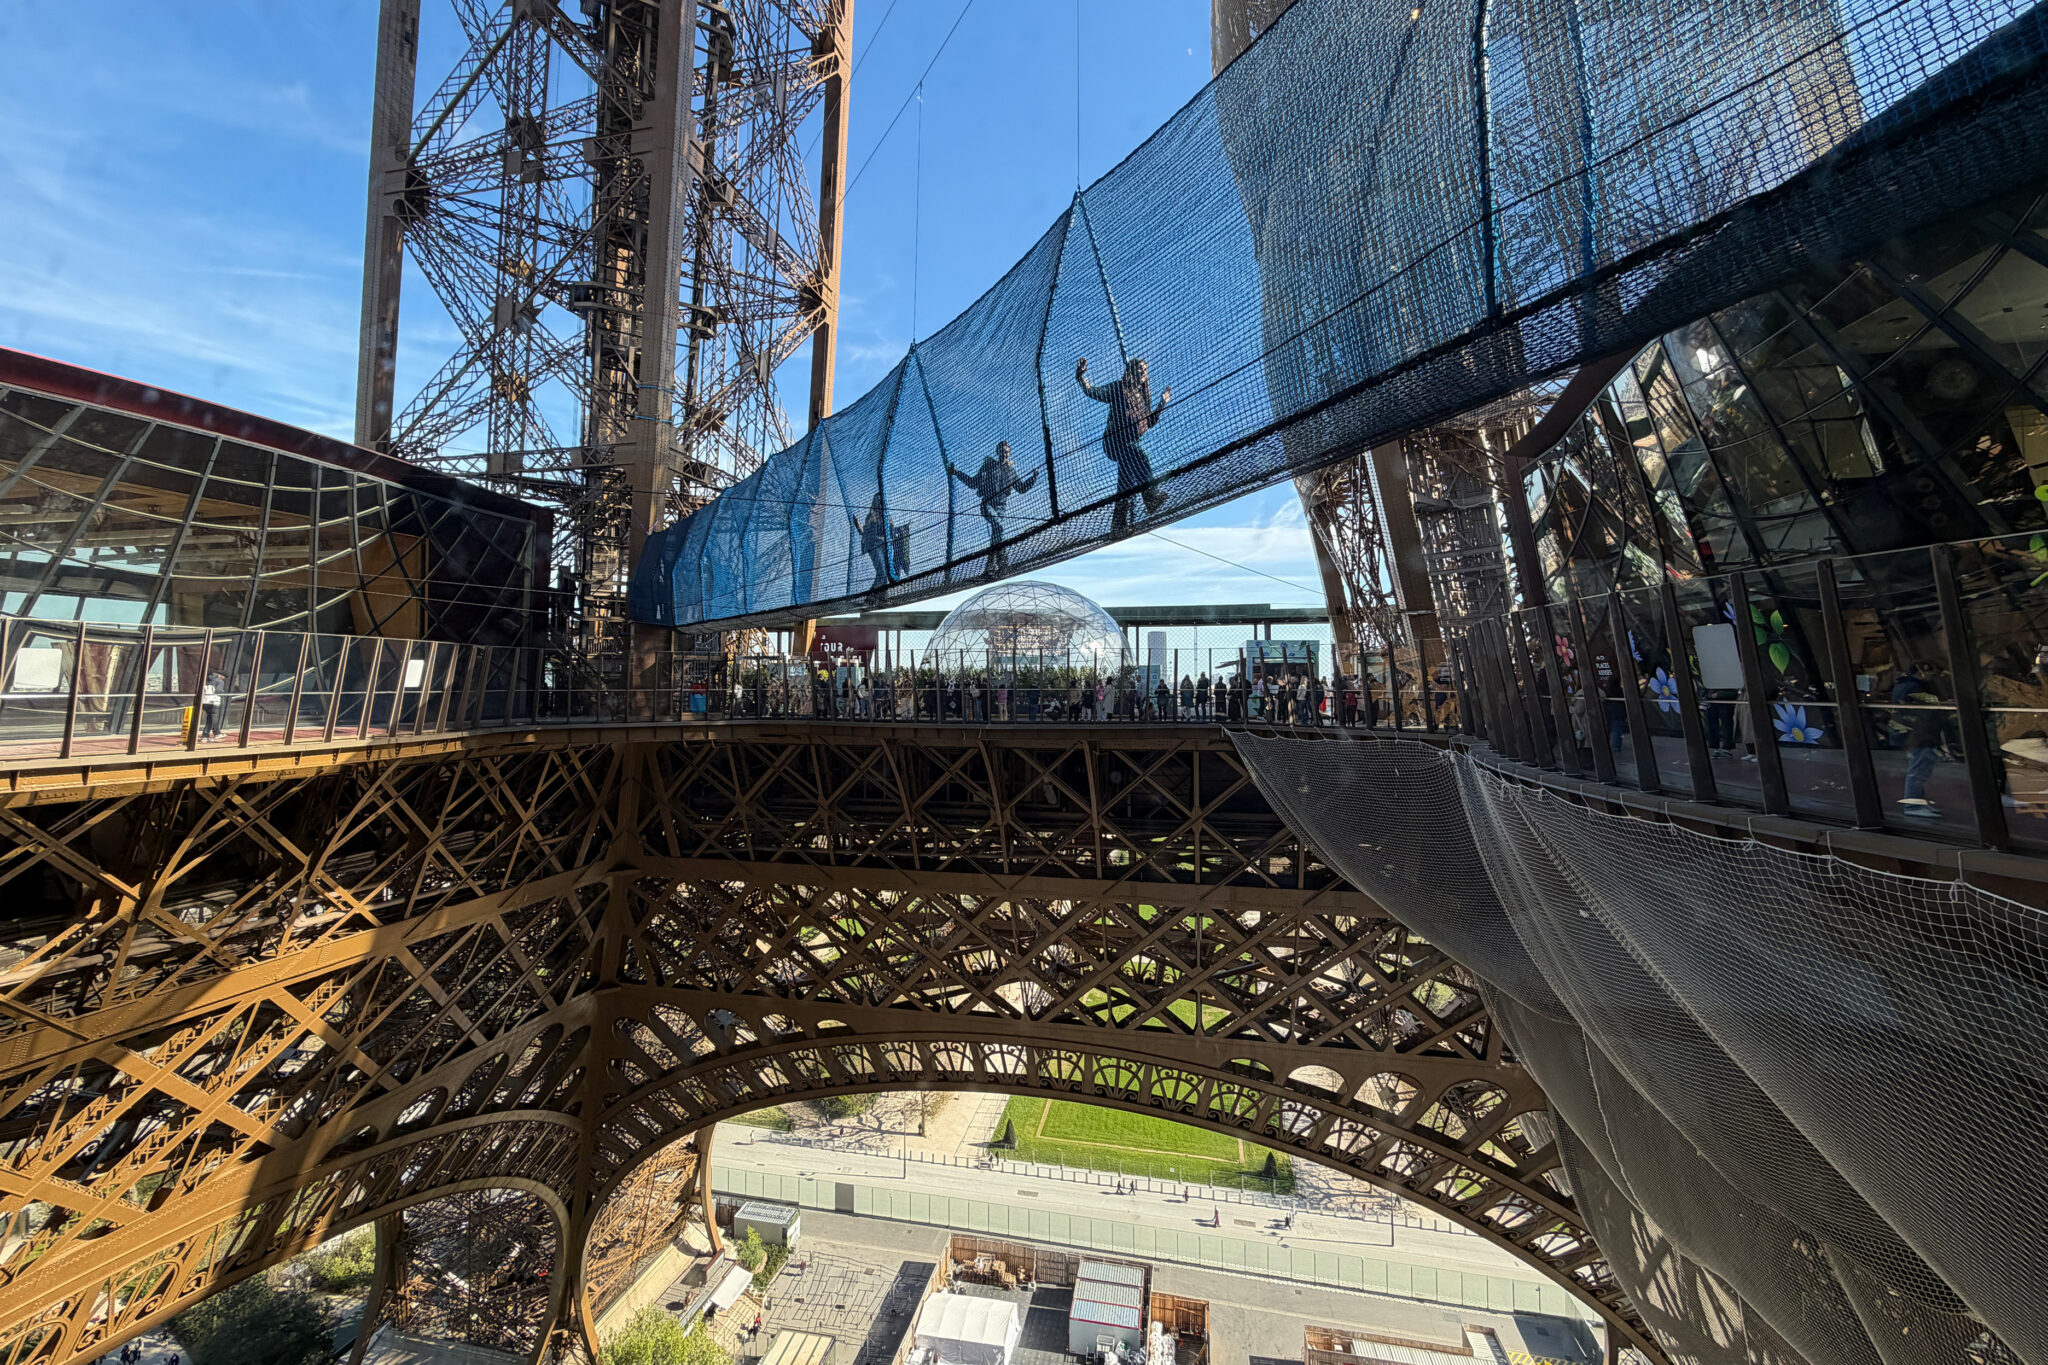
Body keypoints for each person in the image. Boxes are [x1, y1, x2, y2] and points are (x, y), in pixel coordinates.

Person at [1075, 356, 1171, 537]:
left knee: (1126, 482)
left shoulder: (1143, 398)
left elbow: (1149, 422)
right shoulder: (1119, 388)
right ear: (1131, 371)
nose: (1143, 372)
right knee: (1140, 455)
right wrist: (1081, 377)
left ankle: (1118, 526)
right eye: (1140, 369)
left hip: (1130, 444)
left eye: (1145, 370)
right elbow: (1094, 392)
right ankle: (1150, 497)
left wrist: (1162, 404)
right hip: (1114, 442)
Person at [948, 441, 1039, 573]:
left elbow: (1021, 488)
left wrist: (1033, 478)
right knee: (1000, 528)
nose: (1004, 454)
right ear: (997, 452)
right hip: (988, 504)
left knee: (996, 535)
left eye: (1006, 452)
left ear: (1009, 453)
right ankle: (1003, 562)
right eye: (1002, 452)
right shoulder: (988, 467)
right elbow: (973, 483)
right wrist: (956, 472)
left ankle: (989, 566)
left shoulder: (1011, 471)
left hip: (1002, 507)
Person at [1892, 665, 1949, 819]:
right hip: (1919, 733)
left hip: (1914, 733)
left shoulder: (1904, 685)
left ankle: (1917, 802)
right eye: (1933, 674)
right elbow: (1917, 709)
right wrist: (1942, 705)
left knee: (1919, 768)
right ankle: (1913, 805)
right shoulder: (1913, 687)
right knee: (1918, 769)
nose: (1934, 678)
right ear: (1921, 671)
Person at [850, 490, 891, 599]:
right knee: (882, 573)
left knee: (884, 573)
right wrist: (858, 525)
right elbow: (864, 533)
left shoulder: (886, 516)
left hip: (884, 548)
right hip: (873, 546)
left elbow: (890, 532)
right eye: (878, 500)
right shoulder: (871, 516)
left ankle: (882, 597)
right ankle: (870, 597)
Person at [200, 670, 226, 741]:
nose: (223, 679)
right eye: (224, 677)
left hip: (205, 701)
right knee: (214, 717)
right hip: (214, 701)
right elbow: (218, 691)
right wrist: (223, 693)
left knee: (210, 718)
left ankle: (206, 735)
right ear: (221, 675)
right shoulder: (220, 681)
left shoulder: (206, 680)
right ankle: (216, 733)